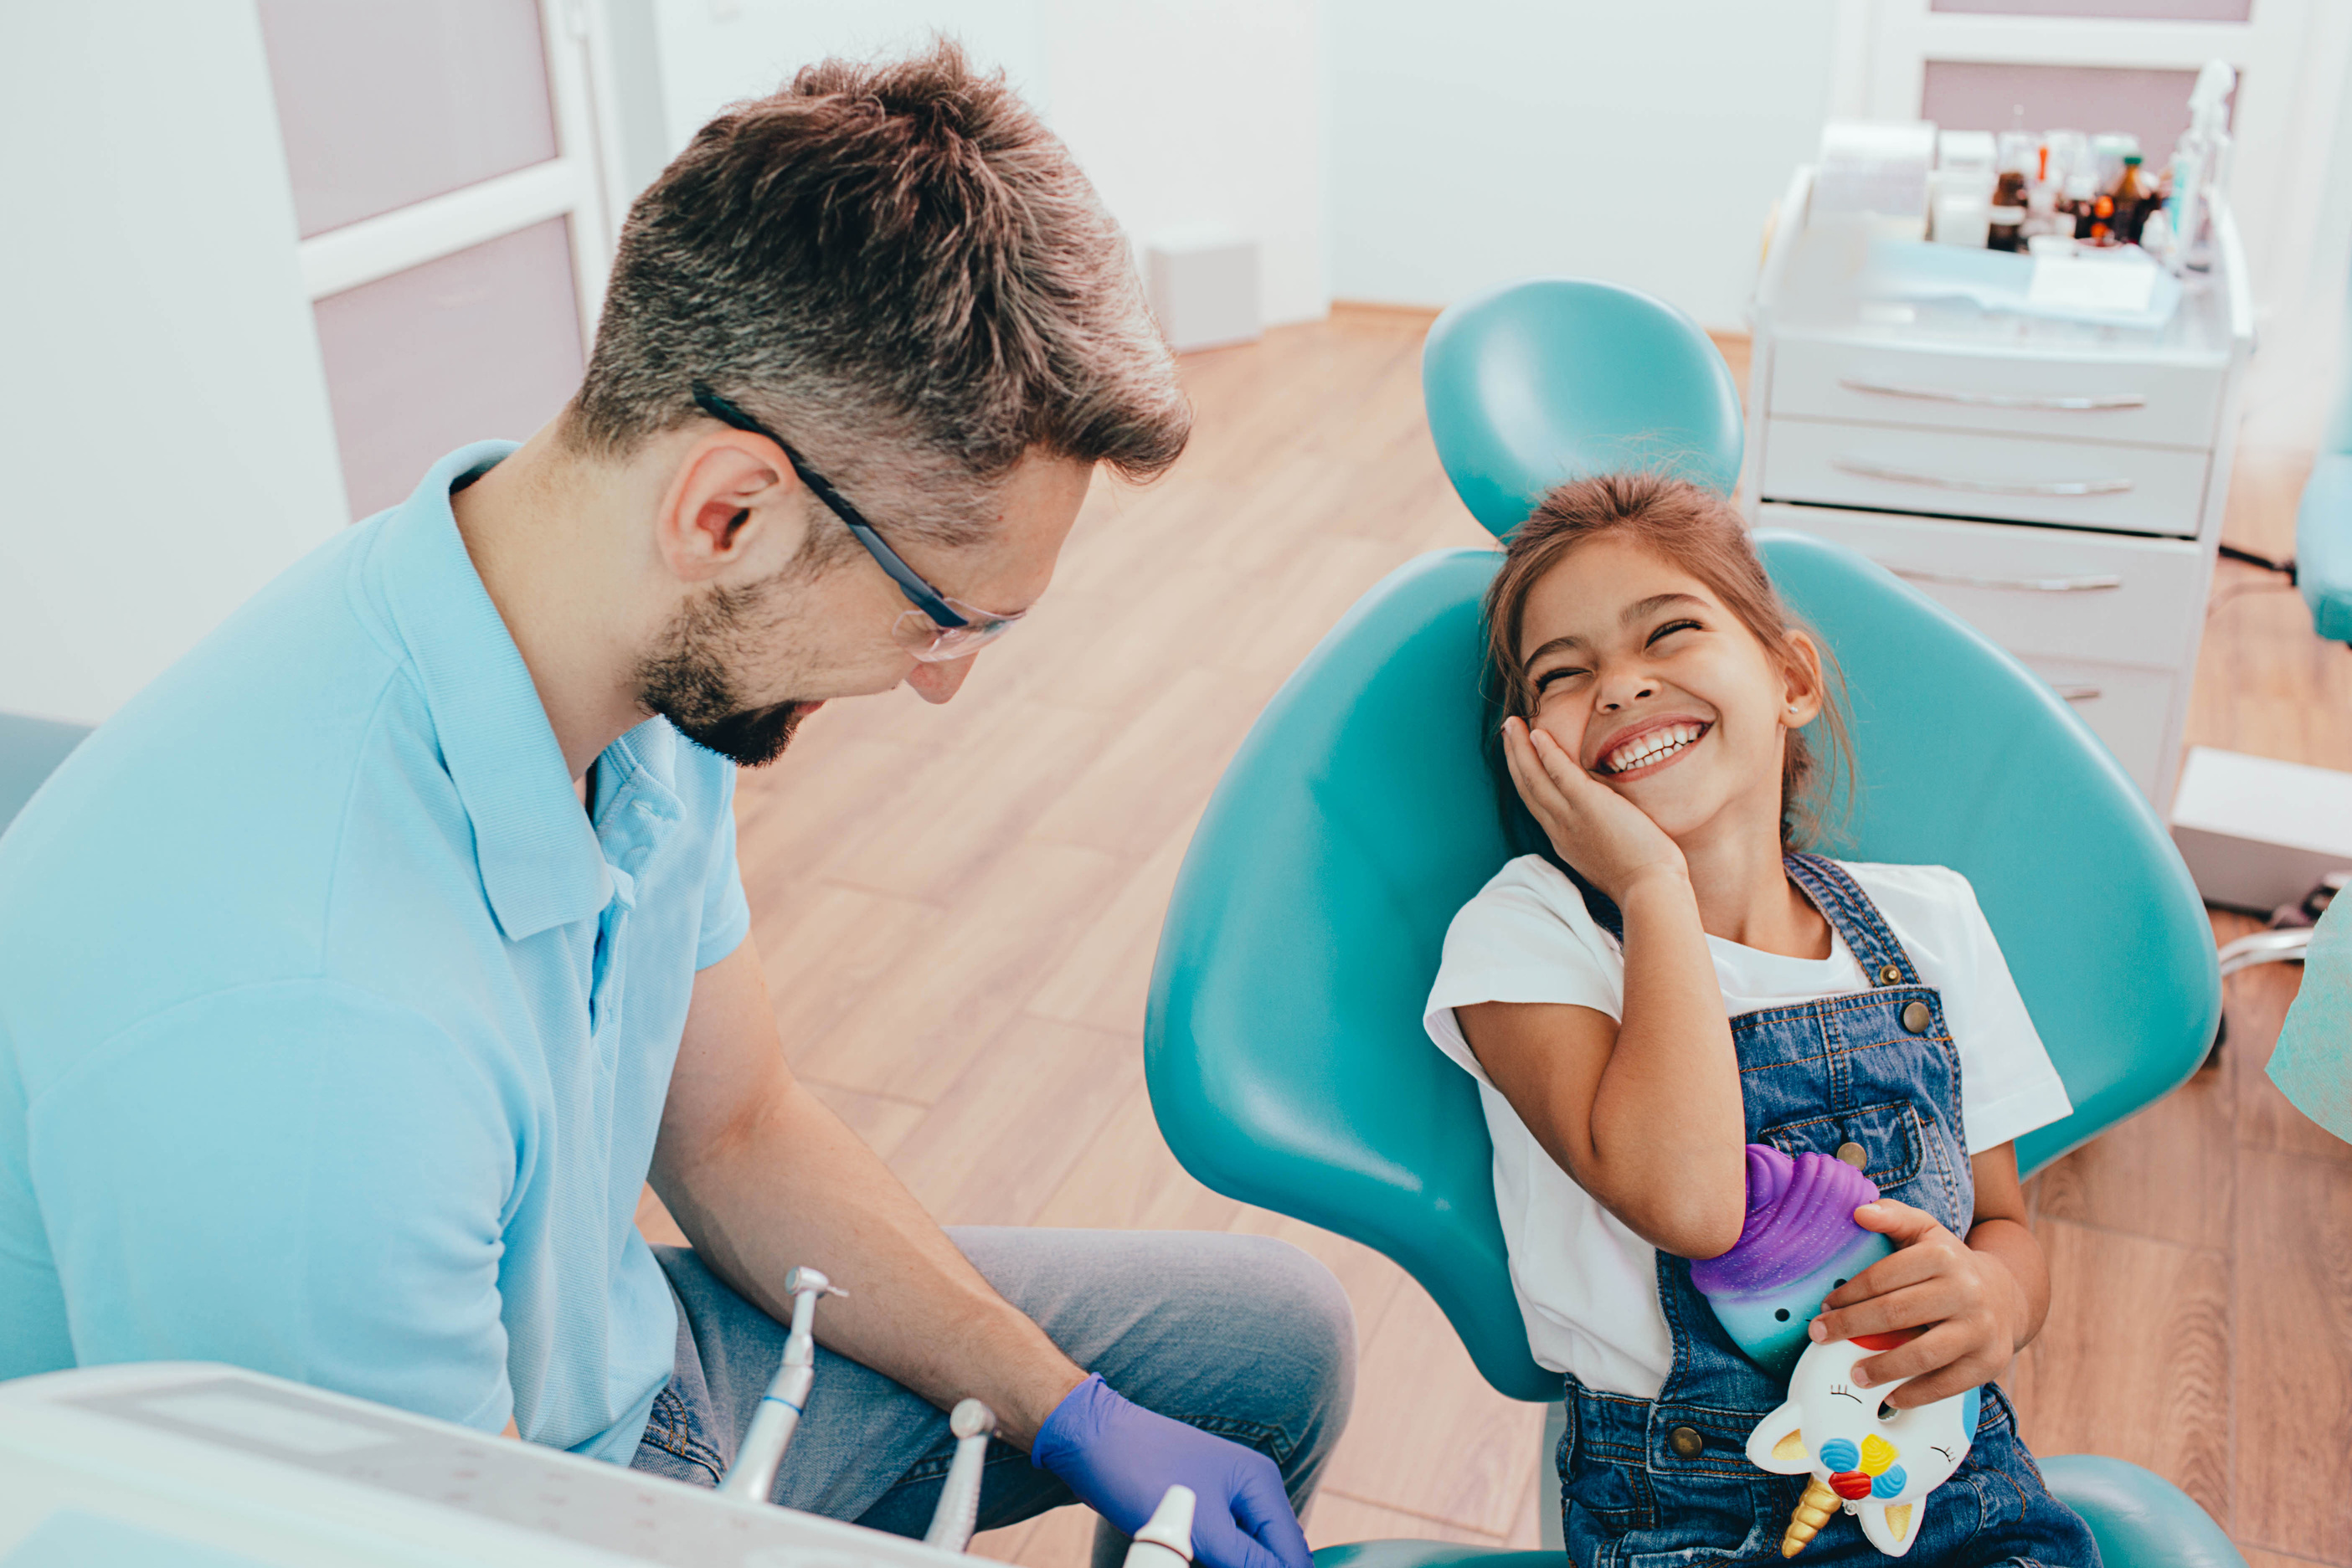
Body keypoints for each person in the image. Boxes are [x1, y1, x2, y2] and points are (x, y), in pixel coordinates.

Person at [0, 44, 1349, 1568]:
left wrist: (1066, 1409)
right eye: (942, 614)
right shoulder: (309, 1044)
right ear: (730, 508)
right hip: (478, 1503)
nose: (939, 682)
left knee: (1265, 1355)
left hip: (621, 1383)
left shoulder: (621, 653)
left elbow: (733, 1126)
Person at [1419, 475, 2097, 1563]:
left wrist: (1994, 1301)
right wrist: (1649, 884)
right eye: (1562, 673)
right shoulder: (1529, 935)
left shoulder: (1931, 922)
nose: (1620, 686)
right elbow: (1691, 1202)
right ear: (1527, 745)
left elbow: (2004, 1223)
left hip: (1953, 1485)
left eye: (1669, 631)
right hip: (1688, 1520)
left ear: (1789, 677)